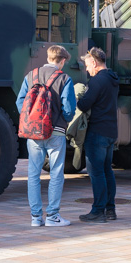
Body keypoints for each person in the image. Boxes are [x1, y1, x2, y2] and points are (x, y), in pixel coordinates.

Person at [16, 45, 76, 227]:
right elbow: (69, 109)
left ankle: (35, 218)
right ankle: (52, 216)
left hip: (33, 132)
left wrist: (30, 120)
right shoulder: (64, 78)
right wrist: (64, 120)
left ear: (48, 57)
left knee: (33, 174)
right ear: (62, 61)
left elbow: (20, 102)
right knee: (56, 173)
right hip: (55, 130)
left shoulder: (31, 75)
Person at [76, 46, 119, 223]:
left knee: (97, 173)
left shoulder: (97, 81)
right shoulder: (113, 78)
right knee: (107, 171)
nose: (86, 70)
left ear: (94, 62)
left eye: (87, 66)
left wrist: (77, 97)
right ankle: (110, 210)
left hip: (97, 132)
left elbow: (85, 105)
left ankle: (98, 211)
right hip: (111, 131)